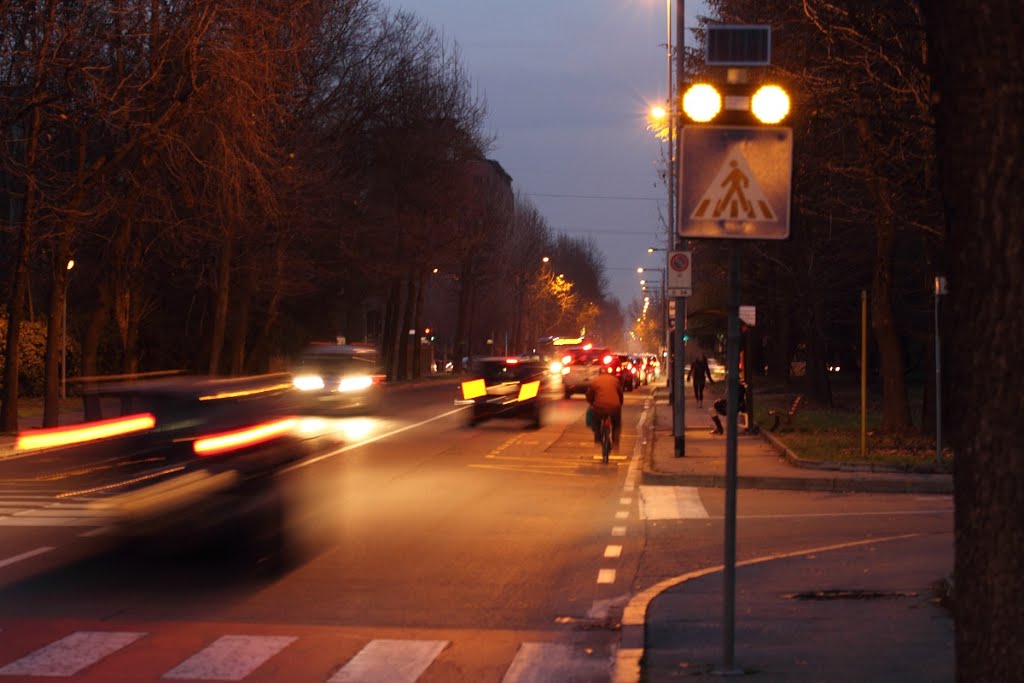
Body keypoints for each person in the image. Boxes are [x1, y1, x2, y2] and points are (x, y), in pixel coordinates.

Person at [586, 368, 624, 449]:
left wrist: (591, 403)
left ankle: (598, 438)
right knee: (616, 424)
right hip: (614, 408)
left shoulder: (595, 381)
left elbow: (589, 395)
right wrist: (619, 404)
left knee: (595, 421)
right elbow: (620, 394)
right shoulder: (615, 380)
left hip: (599, 408)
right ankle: (615, 441)